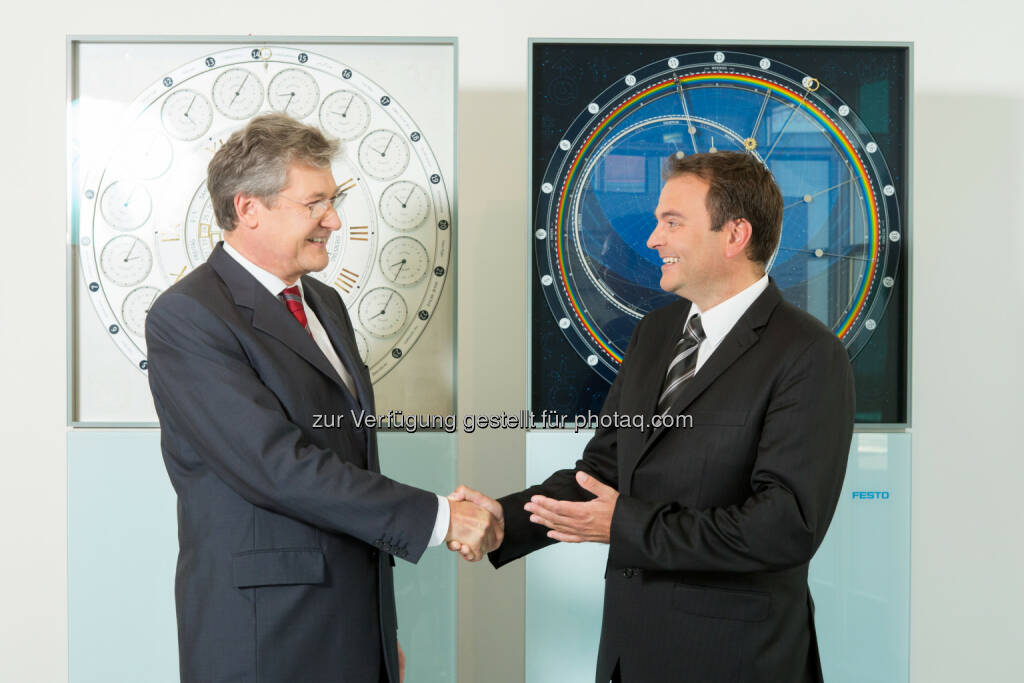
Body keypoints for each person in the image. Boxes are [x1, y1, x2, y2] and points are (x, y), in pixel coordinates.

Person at [451, 151, 855, 682]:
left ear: (735, 235)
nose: (652, 240)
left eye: (672, 222)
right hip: (630, 655)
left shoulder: (807, 354)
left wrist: (626, 524)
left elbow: (785, 526)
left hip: (737, 662)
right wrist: (508, 522)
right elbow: (600, 473)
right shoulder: (656, 335)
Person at [145, 113, 501, 683]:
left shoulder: (325, 304)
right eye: (314, 204)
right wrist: (439, 518)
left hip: (349, 627)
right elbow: (276, 465)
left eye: (332, 202)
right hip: (266, 635)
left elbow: (346, 458)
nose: (333, 220)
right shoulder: (189, 316)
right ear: (248, 208)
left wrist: (381, 634)